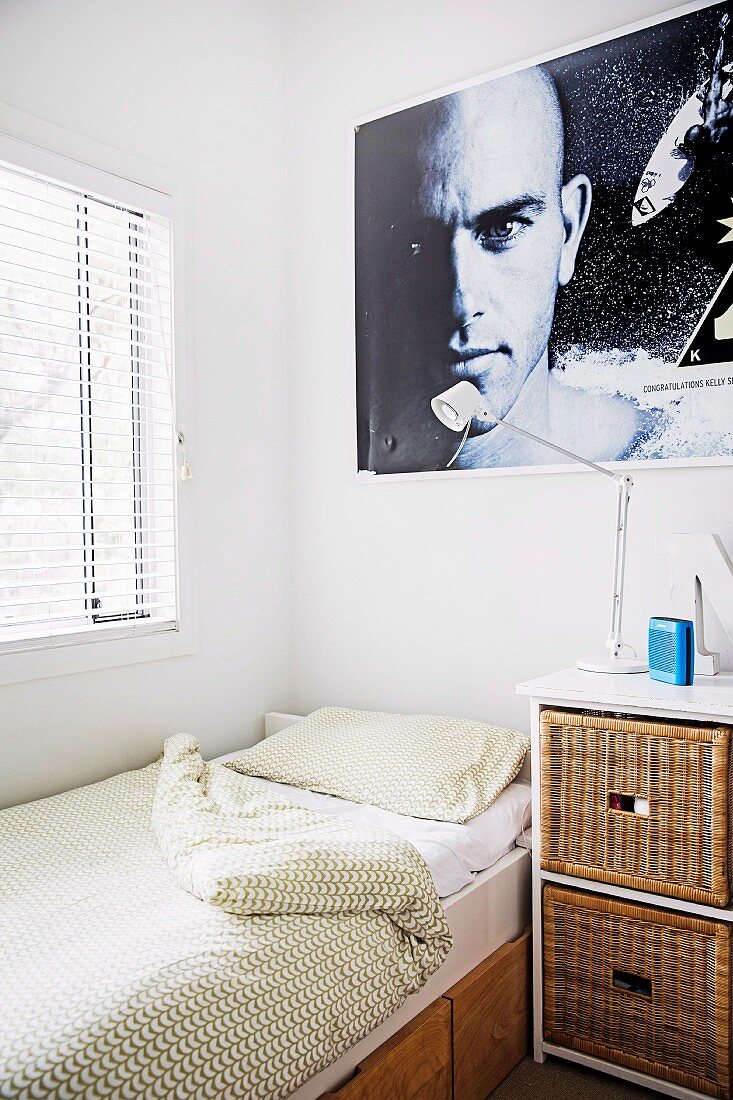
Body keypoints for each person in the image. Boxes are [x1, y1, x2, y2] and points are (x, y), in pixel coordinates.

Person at [355, 65, 648, 473]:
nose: (462, 302)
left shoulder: (664, 448)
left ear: (568, 231)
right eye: (414, 244)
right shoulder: (356, 458)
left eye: (504, 228)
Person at [683, 14, 733, 162]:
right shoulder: (710, 106)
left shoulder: (714, 141)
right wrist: (721, 33)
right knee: (703, 97)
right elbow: (716, 68)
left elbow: (717, 67)